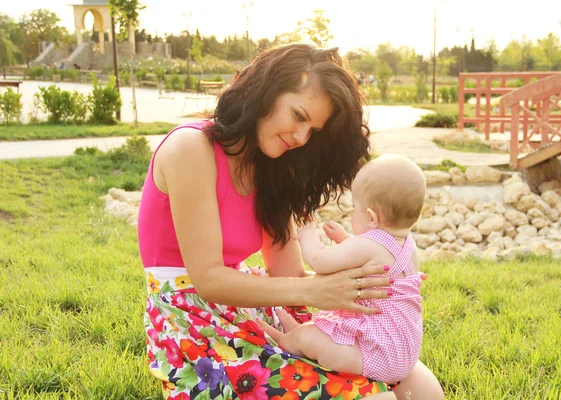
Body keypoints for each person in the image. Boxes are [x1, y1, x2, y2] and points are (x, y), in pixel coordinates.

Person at [138, 43, 444, 399]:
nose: (300, 138)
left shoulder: (272, 168)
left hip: (249, 299)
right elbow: (208, 279)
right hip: (190, 315)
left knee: (421, 386)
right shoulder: (190, 148)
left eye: (313, 130)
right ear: (263, 94)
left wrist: (359, 284)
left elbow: (290, 275)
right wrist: (315, 292)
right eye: (298, 116)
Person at [258, 155, 426, 395]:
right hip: (403, 352)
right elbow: (373, 263)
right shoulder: (408, 245)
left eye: (354, 208)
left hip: (375, 356)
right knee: (318, 329)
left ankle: (289, 342)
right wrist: (345, 240)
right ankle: (298, 332)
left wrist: (308, 236)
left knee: (312, 338)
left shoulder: (370, 245)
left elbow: (320, 261)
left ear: (371, 217)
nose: (351, 214)